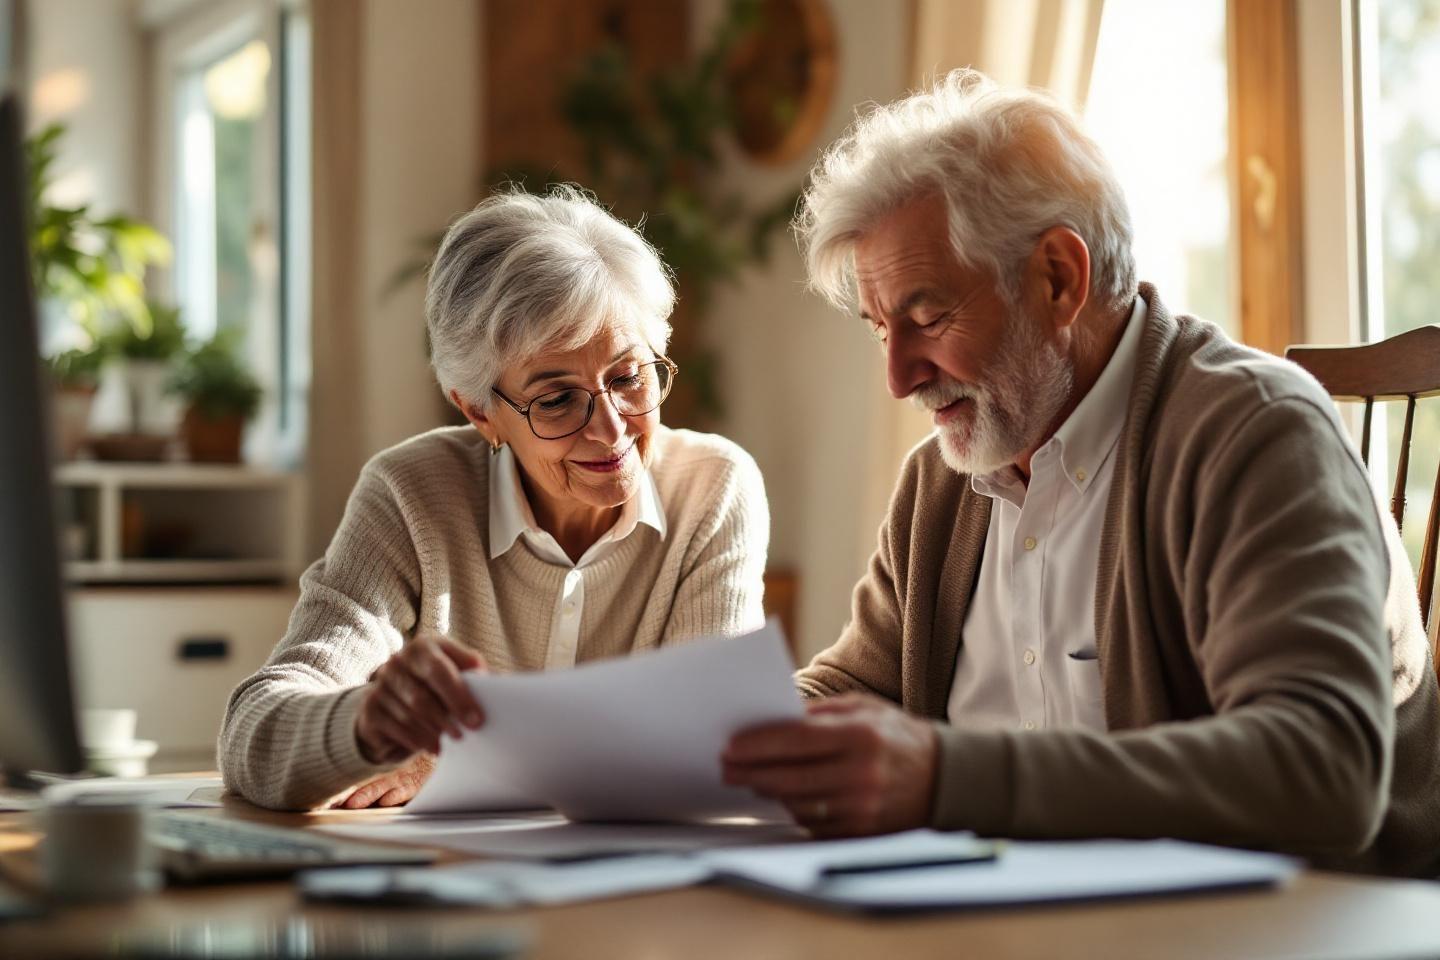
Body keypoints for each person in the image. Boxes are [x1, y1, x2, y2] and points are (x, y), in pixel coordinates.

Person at [721, 70, 1440, 876]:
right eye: (880, 329)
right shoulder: (942, 483)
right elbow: (858, 691)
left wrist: (946, 778)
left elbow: (1322, 771)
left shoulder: (1258, 435)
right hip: (1030, 919)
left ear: (1059, 278)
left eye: (927, 319)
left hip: (1293, 928)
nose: (899, 377)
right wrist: (703, 743)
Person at [222, 186, 769, 811]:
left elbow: (710, 743)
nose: (612, 429)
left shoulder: (713, 486)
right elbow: (253, 736)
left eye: (628, 376)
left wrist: (469, 758)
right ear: (479, 412)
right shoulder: (410, 495)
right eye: (557, 399)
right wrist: (366, 724)